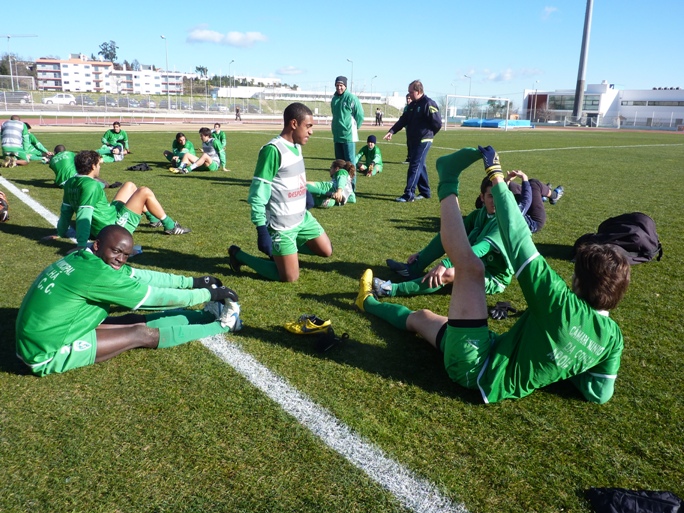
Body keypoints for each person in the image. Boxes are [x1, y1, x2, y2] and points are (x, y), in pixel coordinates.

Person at [356, 145, 630, 404]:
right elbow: (600, 392)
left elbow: (519, 238)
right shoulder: (612, 337)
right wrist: (563, 362)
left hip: (474, 367)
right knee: (421, 317)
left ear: (578, 281)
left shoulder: (560, 303)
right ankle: (368, 302)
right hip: (490, 346)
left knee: (471, 268)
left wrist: (496, 175)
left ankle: (448, 179)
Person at [16, 225, 241, 377]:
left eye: (126, 254)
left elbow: (141, 275)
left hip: (49, 333)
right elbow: (154, 297)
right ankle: (222, 324)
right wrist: (209, 294)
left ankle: (204, 315)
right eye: (116, 251)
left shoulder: (82, 257)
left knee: (129, 319)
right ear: (97, 244)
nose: (121, 260)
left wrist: (192, 282)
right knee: (140, 333)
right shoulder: (98, 274)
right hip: (44, 353)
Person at [228, 102, 333, 282]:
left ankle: (285, 252)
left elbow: (294, 177)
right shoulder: (273, 151)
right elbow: (257, 194)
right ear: (294, 124)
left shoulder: (297, 145)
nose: (311, 131)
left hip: (302, 217)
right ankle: (238, 255)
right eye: (308, 126)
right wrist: (261, 229)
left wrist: (305, 194)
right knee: (290, 277)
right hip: (281, 225)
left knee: (326, 250)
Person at [377, 175, 512, 299]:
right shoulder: (479, 214)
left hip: (493, 277)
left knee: (448, 273)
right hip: (476, 262)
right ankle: (414, 268)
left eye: (498, 196)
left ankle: (390, 289)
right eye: (490, 196)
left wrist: (446, 263)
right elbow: (450, 234)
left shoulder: (503, 222)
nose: (495, 201)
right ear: (482, 197)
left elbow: (480, 249)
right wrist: (421, 254)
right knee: (449, 235)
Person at [54, 150, 190, 249]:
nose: (100, 167)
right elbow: (84, 216)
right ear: (93, 166)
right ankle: (170, 226)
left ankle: (154, 220)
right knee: (144, 192)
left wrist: (60, 233)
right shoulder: (92, 185)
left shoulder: (71, 182)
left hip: (109, 214)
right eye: (99, 165)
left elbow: (66, 211)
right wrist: (82, 247)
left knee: (130, 186)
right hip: (110, 227)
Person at [384, 81, 441, 201]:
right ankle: (425, 191)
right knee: (420, 164)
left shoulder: (428, 103)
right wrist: (392, 131)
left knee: (414, 165)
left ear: (418, 91)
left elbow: (437, 123)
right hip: (413, 140)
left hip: (424, 139)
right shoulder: (412, 105)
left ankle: (409, 194)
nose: (409, 94)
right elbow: (403, 120)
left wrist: (429, 134)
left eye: (411, 92)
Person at [330, 76, 364, 163]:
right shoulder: (334, 99)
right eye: (337, 85)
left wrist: (354, 127)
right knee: (339, 162)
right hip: (337, 136)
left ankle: (352, 177)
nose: (339, 87)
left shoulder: (351, 98)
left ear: (345, 86)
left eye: (341, 85)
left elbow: (360, 115)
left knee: (350, 163)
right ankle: (340, 177)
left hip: (348, 135)